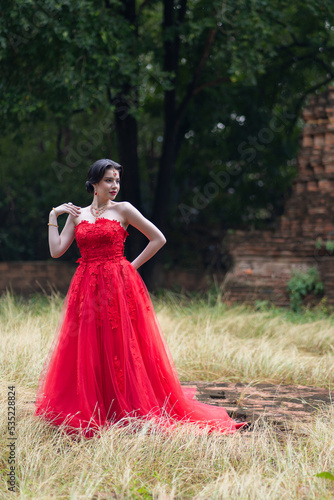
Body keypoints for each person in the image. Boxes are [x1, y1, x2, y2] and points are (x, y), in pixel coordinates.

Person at [35, 158, 246, 437]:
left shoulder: (123, 209)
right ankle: (93, 406)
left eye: (117, 180)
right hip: (85, 287)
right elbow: (57, 251)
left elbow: (158, 238)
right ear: (94, 183)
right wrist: (54, 216)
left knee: (120, 342)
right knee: (86, 343)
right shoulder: (77, 215)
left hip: (118, 286)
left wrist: (128, 268)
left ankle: (125, 406)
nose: (115, 186)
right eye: (109, 180)